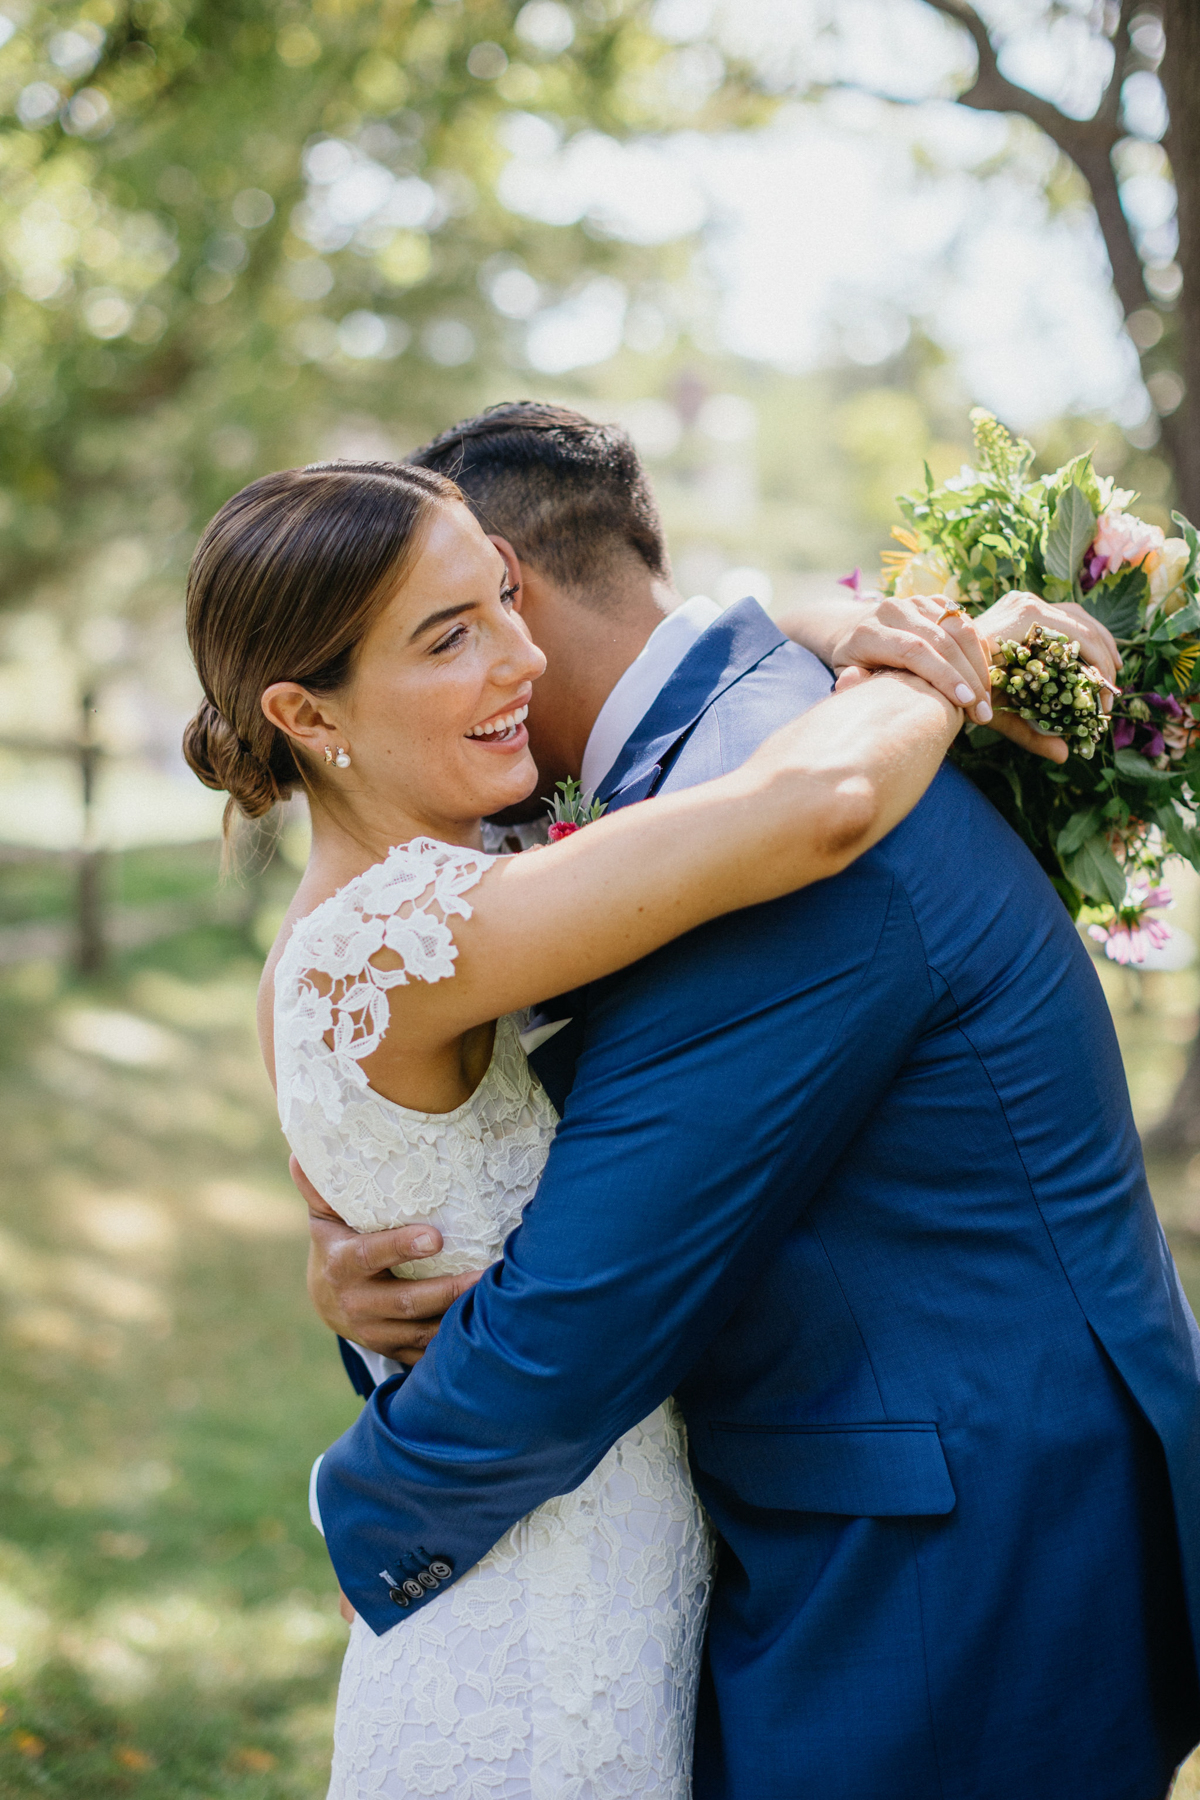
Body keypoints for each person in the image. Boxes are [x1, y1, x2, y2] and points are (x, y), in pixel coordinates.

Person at [295, 406, 1200, 1800]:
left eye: (461, 624)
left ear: (513, 599)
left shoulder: (759, 809)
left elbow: (591, 1301)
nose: (479, 664)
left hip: (950, 1566)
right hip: (919, 1504)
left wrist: (367, 1513)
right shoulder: (737, 741)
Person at [182, 449, 966, 1798]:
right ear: (309, 715)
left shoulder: (438, 890)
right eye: (451, 637)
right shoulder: (393, 942)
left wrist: (813, 612)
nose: (522, 656)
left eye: (503, 600)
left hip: (614, 1585)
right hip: (529, 1645)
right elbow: (820, 807)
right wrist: (932, 667)